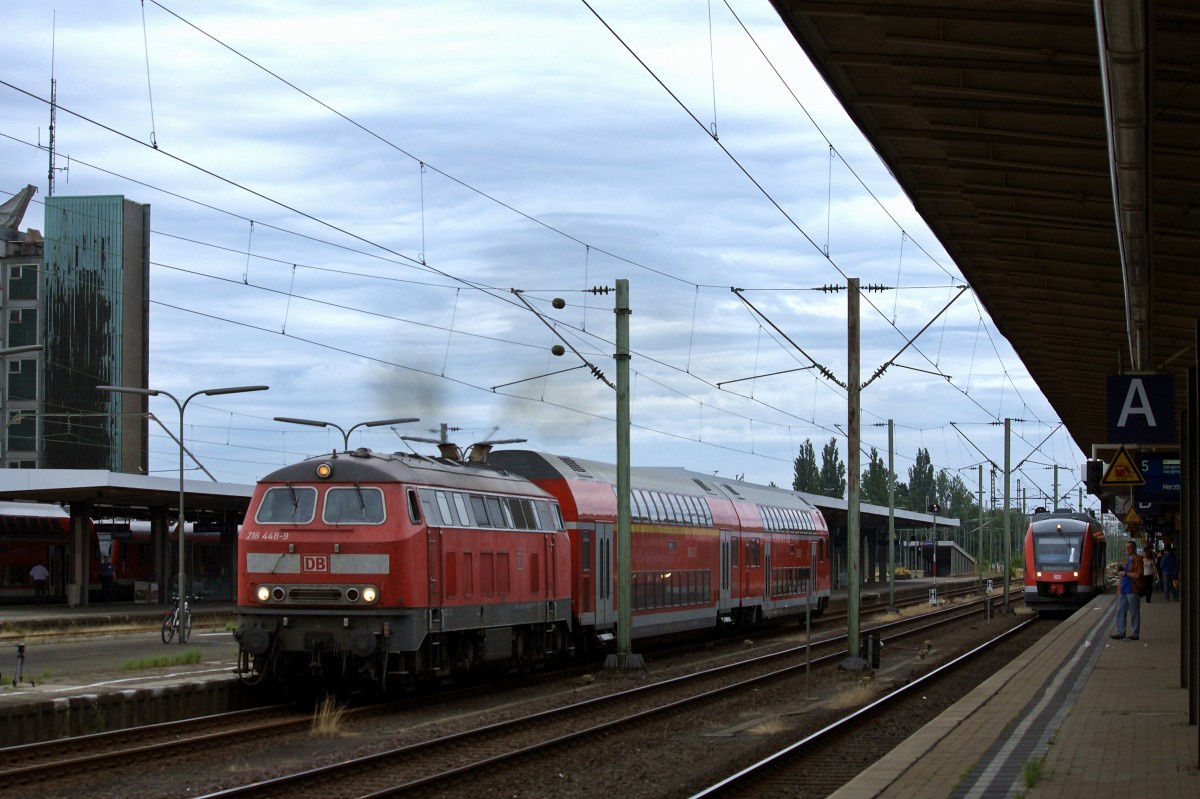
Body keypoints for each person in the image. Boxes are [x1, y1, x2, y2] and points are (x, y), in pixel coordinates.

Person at [1111, 541, 1143, 640]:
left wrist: (1125, 574)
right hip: (1123, 589)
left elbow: (1138, 575)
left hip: (1132, 589)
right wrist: (1118, 569)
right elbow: (1124, 571)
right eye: (1126, 547)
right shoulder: (1126, 560)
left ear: (1134, 548)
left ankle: (1135, 633)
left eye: (1129, 547)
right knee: (1120, 611)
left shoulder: (1138, 559)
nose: (1127, 549)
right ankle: (1121, 632)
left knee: (1134, 612)